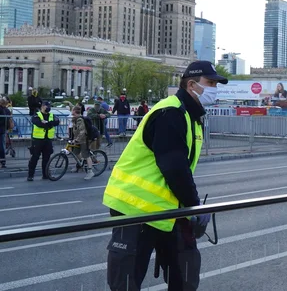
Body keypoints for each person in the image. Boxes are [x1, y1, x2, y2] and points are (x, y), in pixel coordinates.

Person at [104, 61, 225, 291]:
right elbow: (175, 167)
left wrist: (189, 206)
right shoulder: (171, 112)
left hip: (167, 210)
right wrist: (194, 205)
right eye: (210, 83)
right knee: (126, 283)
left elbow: (180, 169)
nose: (214, 89)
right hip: (135, 208)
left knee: (185, 275)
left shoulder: (190, 115)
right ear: (191, 84)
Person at [28, 100, 59, 181]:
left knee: (46, 158)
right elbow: (38, 123)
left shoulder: (52, 115)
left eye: (49, 106)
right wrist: (49, 124)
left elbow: (57, 122)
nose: (48, 108)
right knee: (34, 158)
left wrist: (47, 123)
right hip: (38, 140)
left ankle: (45, 175)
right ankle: (30, 175)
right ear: (42, 107)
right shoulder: (37, 115)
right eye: (46, 106)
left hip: (48, 140)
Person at [71, 105, 96, 180]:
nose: (71, 111)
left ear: (75, 111)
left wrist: (76, 139)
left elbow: (82, 131)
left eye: (72, 110)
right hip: (78, 139)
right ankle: (80, 164)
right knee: (75, 152)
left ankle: (90, 171)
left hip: (84, 140)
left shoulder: (80, 120)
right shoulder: (75, 119)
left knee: (86, 155)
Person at [0, 97, 8, 168]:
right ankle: (3, 161)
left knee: (1, 146)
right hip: (3, 130)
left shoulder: (1, 109)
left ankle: (2, 161)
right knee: (2, 146)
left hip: (1, 130)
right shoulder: (6, 110)